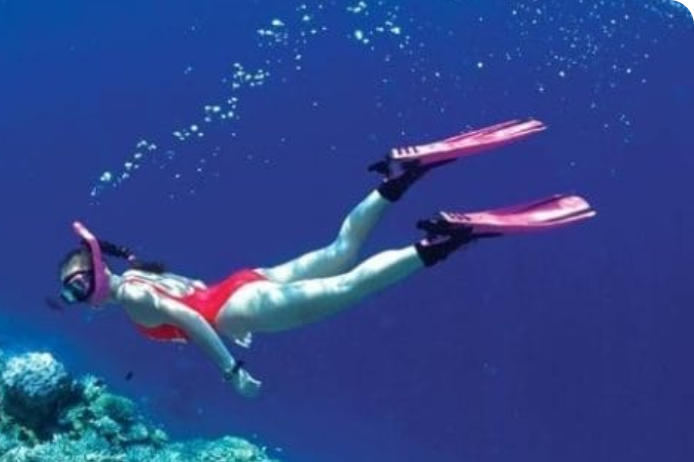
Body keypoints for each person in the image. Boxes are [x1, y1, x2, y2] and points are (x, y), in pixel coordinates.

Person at [58, 119, 595, 397]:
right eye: (72, 293)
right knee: (340, 251)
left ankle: (444, 238)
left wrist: (231, 369)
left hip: (238, 307)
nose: (79, 296)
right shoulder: (137, 274)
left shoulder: (129, 294)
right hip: (244, 284)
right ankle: (401, 177)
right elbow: (192, 290)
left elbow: (190, 318)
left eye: (77, 285)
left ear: (97, 273)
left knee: (349, 288)